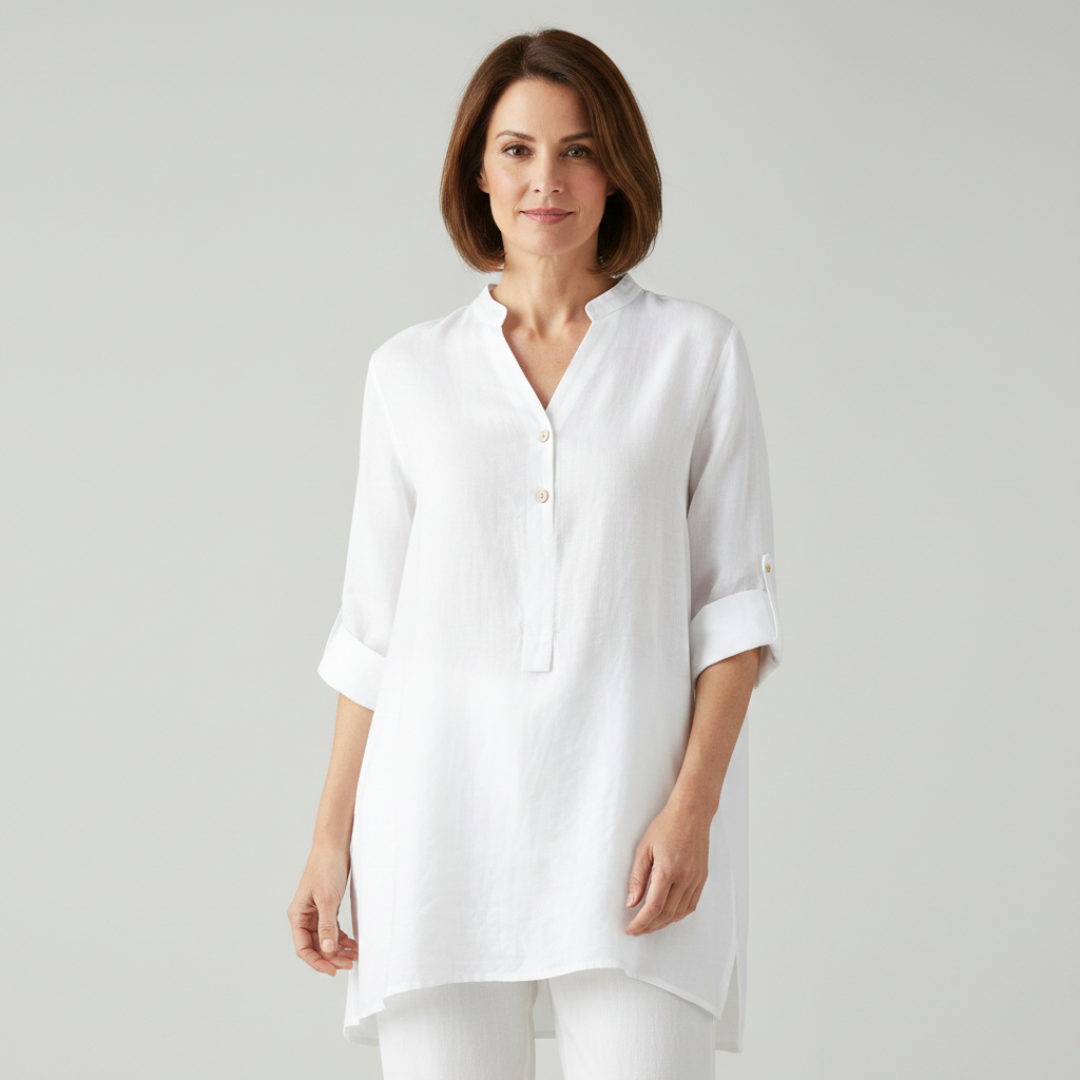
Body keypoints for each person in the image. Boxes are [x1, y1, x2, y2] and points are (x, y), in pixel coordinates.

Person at [287, 26, 783, 1080]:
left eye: (578, 150)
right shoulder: (407, 372)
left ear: (618, 169)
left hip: (631, 818)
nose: (545, 180)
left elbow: (734, 613)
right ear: (479, 169)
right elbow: (372, 630)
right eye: (516, 150)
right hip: (435, 825)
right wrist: (331, 840)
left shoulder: (695, 354)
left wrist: (693, 808)